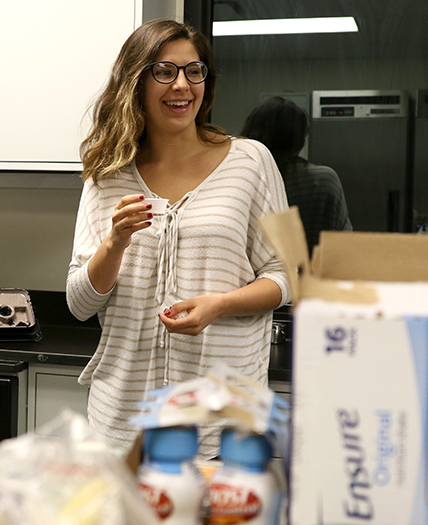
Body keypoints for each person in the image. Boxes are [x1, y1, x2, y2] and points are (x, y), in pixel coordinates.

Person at [66, 19, 291, 456]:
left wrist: (220, 304)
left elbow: (288, 275)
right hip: (122, 424)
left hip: (221, 424)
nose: (183, 86)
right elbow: (78, 303)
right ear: (136, 82)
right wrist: (114, 243)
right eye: (165, 72)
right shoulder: (106, 173)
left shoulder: (252, 161)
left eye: (195, 71)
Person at [241, 96, 352, 254]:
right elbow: (344, 242)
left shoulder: (242, 179)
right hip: (312, 277)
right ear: (298, 138)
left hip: (257, 278)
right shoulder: (323, 180)